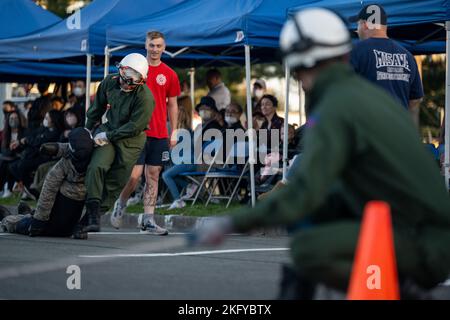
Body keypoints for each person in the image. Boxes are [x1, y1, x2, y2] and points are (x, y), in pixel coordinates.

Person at [196, 8, 450, 299]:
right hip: (428, 231)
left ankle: (404, 288)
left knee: (307, 248)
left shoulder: (339, 106)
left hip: (425, 244)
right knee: (326, 210)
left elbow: (305, 191)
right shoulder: (375, 98)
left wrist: (233, 222)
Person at [110, 31, 180, 235]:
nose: (155, 49)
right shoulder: (135, 69)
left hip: (159, 132)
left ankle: (148, 220)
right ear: (145, 45)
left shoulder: (169, 74)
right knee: (134, 176)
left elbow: (173, 105)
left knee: (153, 175)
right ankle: (121, 203)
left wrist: (174, 131)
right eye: (152, 45)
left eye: (159, 46)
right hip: (136, 131)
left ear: (164, 47)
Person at [82, 53, 154, 235]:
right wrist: (87, 130)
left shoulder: (145, 97)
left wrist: (109, 135)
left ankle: (91, 218)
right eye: (126, 75)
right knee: (97, 166)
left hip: (131, 140)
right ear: (120, 70)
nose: (127, 82)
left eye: (134, 78)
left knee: (118, 180)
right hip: (109, 131)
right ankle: (91, 214)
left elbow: (134, 127)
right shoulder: (109, 82)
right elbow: (96, 108)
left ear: (142, 80)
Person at [0, 128, 94, 239]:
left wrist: (38, 222)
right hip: (68, 227)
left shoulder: (62, 166)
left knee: (19, 224)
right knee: (31, 218)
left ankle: (6, 219)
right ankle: (27, 214)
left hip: (49, 226)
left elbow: (48, 193)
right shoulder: (94, 164)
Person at [349, 4, 424, 126]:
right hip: (398, 133)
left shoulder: (356, 51)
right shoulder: (408, 56)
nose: (357, 30)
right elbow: (415, 99)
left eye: (358, 24)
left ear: (366, 24)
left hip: (368, 133)